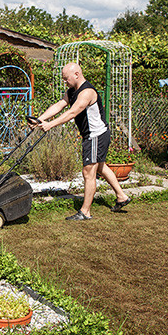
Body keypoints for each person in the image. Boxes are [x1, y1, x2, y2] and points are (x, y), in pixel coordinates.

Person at [30, 62, 131, 220]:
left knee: (88, 172)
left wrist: (50, 125)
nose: (65, 82)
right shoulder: (72, 91)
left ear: (76, 74)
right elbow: (60, 105)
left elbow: (72, 112)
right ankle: (121, 196)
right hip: (92, 135)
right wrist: (40, 119)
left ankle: (85, 212)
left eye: (66, 78)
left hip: (96, 135)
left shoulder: (87, 92)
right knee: (101, 167)